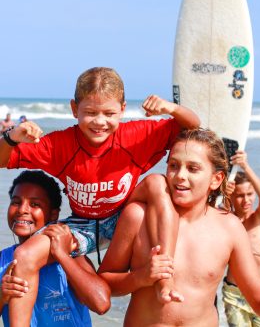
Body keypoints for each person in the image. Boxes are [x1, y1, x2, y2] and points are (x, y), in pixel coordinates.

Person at [0, 67, 200, 326]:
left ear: (123, 109)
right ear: (74, 109)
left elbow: (193, 127)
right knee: (25, 256)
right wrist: (12, 137)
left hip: (124, 216)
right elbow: (3, 159)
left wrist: (171, 109)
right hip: (82, 227)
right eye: (90, 113)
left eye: (109, 113)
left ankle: (166, 277)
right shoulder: (60, 145)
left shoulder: (136, 136)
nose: (99, 121)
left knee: (155, 182)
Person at [98, 128, 260, 327]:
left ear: (216, 179)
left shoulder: (230, 228)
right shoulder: (137, 216)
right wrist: (140, 277)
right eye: (174, 165)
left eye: (193, 168)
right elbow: (104, 283)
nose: (180, 175)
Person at [0, 170, 111, 326]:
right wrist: (1, 297)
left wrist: (62, 255)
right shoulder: (3, 261)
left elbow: (101, 304)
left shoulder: (72, 254)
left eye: (35, 204)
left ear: (53, 215)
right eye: (16, 202)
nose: (22, 210)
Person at [222, 150, 260, 326]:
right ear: (232, 197)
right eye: (240, 195)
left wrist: (245, 166)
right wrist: (223, 193)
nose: (246, 200)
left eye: (250, 194)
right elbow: (209, 213)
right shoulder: (228, 220)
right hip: (235, 292)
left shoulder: (259, 218)